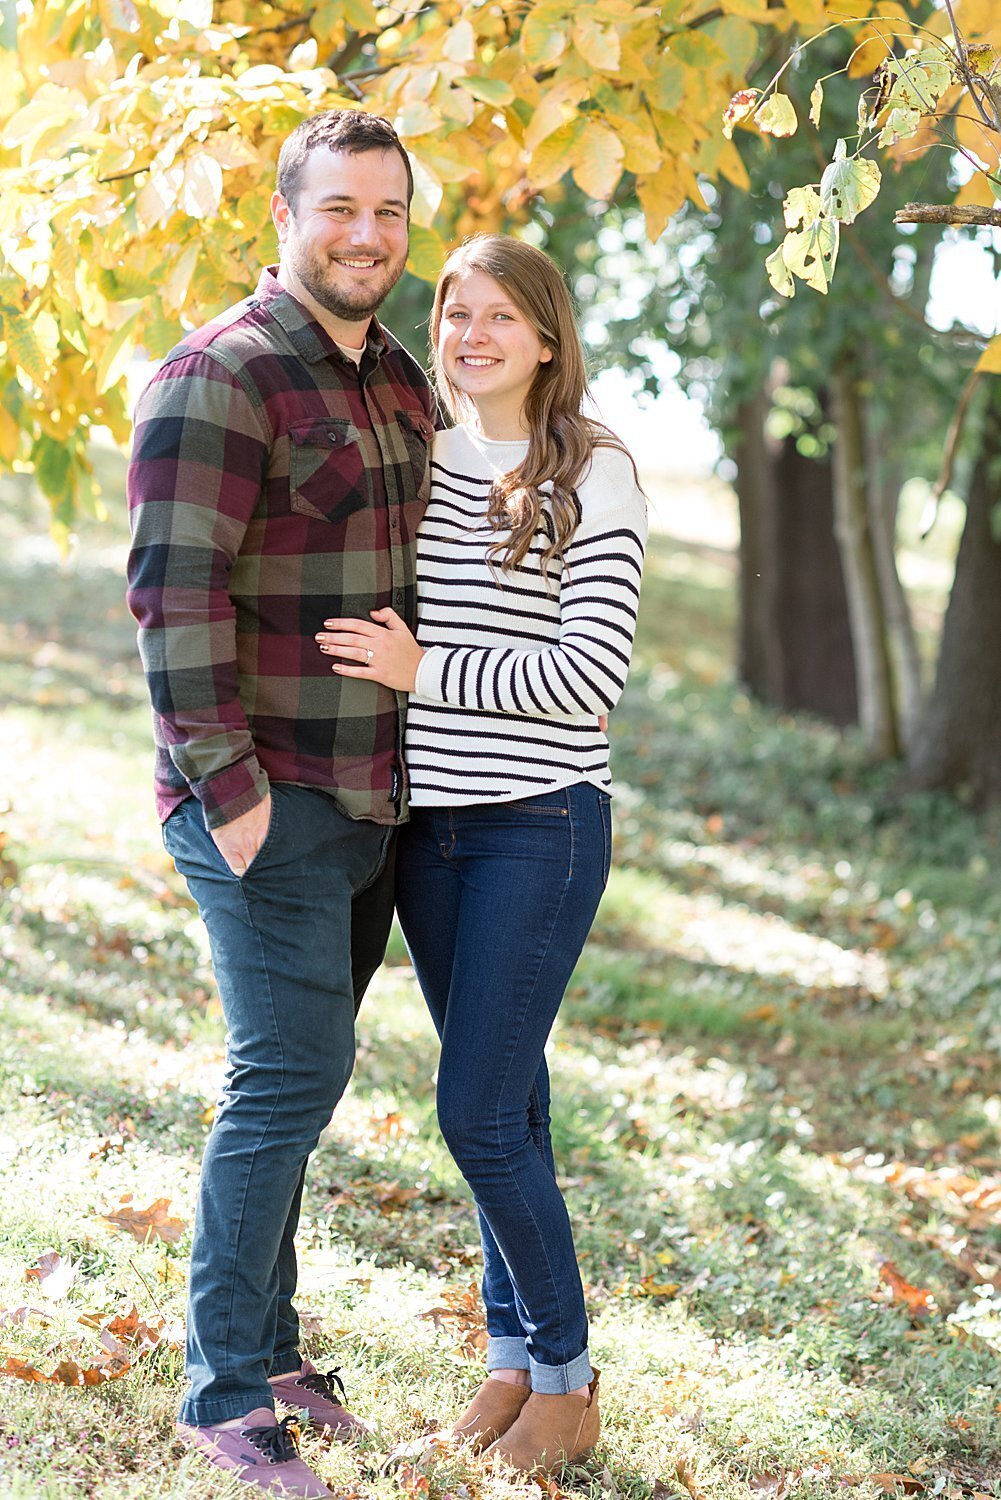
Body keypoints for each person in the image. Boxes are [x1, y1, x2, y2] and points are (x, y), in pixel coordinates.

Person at [125, 110, 436, 1500]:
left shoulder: (397, 377)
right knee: (285, 1081)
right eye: (339, 210)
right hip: (265, 799)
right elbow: (170, 598)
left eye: (388, 211)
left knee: (299, 1086)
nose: (365, 234)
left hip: (367, 799)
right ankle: (223, 1392)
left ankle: (275, 1345)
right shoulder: (221, 374)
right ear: (283, 216)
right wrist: (233, 795)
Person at [315, 234, 648, 1476]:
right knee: (511, 1102)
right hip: (428, 832)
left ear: (546, 339)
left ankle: (567, 1383)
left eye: (499, 316)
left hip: (537, 825)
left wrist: (422, 672)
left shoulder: (590, 471)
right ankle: (510, 1367)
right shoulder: (424, 457)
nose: (469, 335)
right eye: (453, 312)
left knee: (473, 1113)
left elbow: (584, 679)